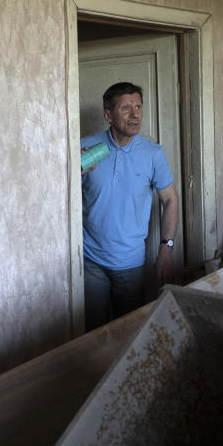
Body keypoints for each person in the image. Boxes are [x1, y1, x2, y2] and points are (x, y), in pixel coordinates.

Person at [80, 81, 179, 331]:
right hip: (91, 260)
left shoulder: (153, 153)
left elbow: (170, 199)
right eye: (125, 108)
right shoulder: (85, 147)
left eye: (138, 106)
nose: (135, 115)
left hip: (131, 263)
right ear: (108, 115)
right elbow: (59, 195)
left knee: (129, 332)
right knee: (94, 334)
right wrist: (72, 170)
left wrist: (166, 249)